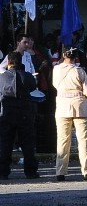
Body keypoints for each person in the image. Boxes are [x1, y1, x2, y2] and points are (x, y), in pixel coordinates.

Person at [52, 46, 87, 181]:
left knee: (63, 140)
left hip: (63, 106)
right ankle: (86, 171)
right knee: (83, 141)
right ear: (76, 57)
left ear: (64, 55)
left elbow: (55, 85)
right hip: (80, 106)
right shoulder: (80, 71)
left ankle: (60, 171)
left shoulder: (56, 69)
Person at [0, 52, 39, 180]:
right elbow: (33, 86)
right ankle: (30, 171)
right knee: (27, 143)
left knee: (5, 143)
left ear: (9, 62)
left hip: (7, 112)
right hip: (24, 112)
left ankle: (3, 171)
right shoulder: (26, 76)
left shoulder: (3, 77)